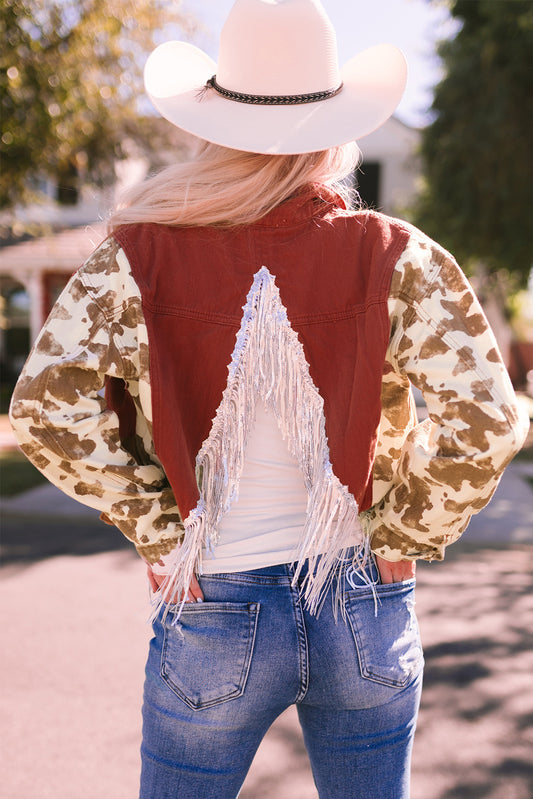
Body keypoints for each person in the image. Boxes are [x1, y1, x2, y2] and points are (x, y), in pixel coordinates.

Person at [9, 1, 529, 797]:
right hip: (361, 595)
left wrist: (156, 528)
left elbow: (48, 412)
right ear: (333, 124)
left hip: (214, 598)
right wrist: (402, 531)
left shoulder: (135, 255)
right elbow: (487, 419)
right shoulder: (397, 254)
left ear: (213, 124)